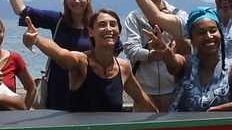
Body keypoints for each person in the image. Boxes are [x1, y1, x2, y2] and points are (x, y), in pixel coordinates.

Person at [0, 0, 106, 111]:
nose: (77, 1)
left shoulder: (97, 24)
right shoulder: (58, 20)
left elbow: (112, 51)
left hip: (90, 85)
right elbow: (21, 10)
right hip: (59, 86)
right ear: (65, 0)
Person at [23, 8, 157, 114]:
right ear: (91, 32)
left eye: (113, 24)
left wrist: (159, 121)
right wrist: (36, 39)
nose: (108, 28)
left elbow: (142, 99)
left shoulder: (123, 67)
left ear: (119, 32)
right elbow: (60, 54)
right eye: (102, 25)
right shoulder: (81, 62)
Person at [145, 7, 232, 112]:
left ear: (220, 34)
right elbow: (173, 62)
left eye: (213, 31)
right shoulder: (186, 64)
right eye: (201, 33)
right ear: (192, 40)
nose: (208, 36)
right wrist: (165, 51)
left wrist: (219, 109)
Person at [122, 0, 183, 112]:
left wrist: (161, 51)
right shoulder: (134, 18)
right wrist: (154, 54)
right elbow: (131, 50)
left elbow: (188, 48)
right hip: (145, 92)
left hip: (175, 89)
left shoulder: (177, 15)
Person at [0, 13, 36, 110]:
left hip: (9, 121)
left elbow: (31, 88)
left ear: (3, 33)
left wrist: (23, 113)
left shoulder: (14, 58)